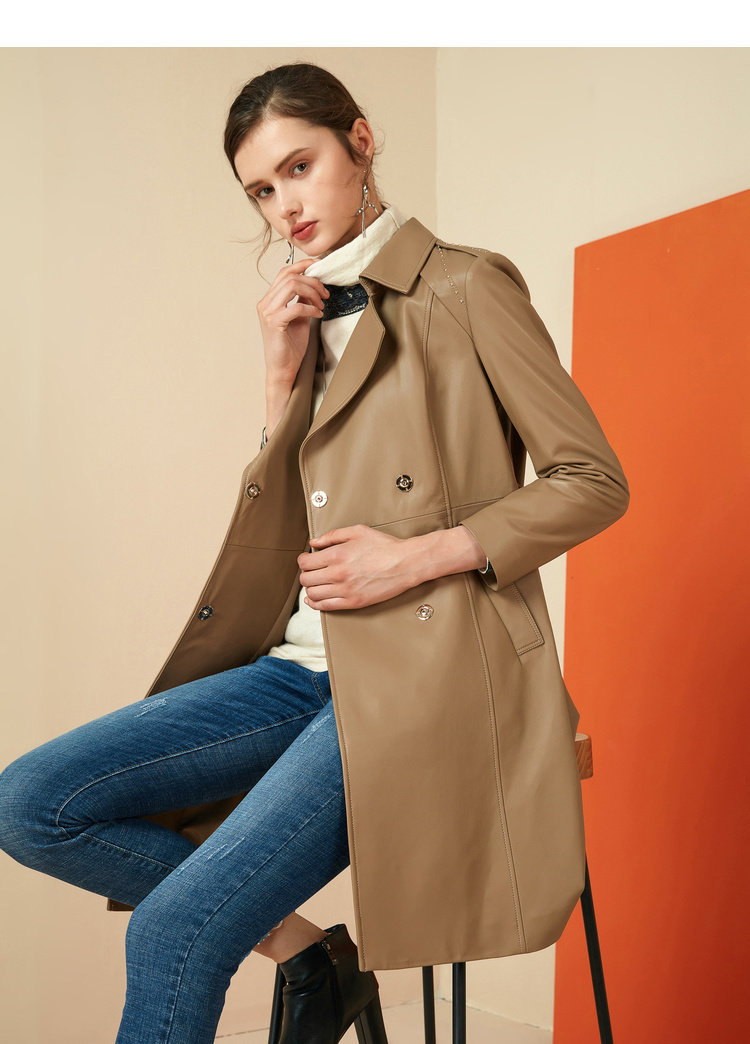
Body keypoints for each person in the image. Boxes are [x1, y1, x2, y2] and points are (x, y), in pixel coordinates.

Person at [0, 62, 630, 1044]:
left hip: (418, 678)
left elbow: (592, 478)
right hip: (300, 670)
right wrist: (277, 383)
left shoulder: (466, 286)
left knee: (172, 930)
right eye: (261, 189)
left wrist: (413, 558)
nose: (284, 207)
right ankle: (311, 959)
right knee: (33, 804)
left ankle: (311, 970)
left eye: (299, 167)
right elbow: (297, 527)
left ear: (361, 142)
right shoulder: (305, 316)